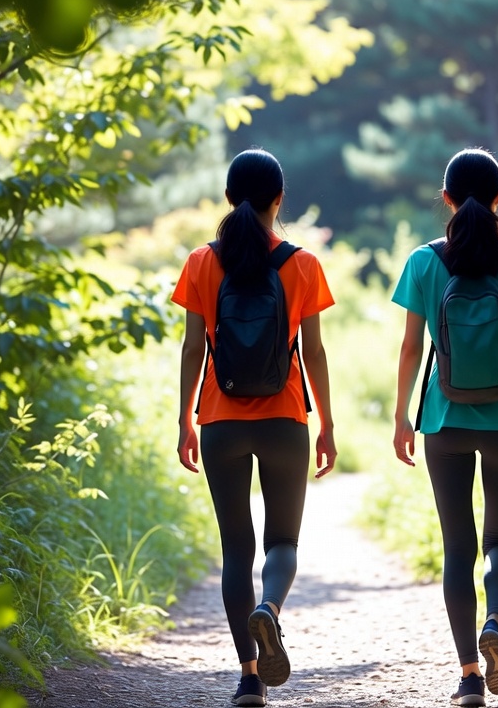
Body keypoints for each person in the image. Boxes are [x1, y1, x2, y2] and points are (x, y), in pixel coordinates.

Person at [391, 148, 498, 708]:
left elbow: (411, 345)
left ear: (445, 199)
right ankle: (495, 621)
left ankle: (470, 675)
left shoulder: (423, 261)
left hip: (443, 418)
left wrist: (401, 416)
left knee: (456, 547)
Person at [173, 149, 337, 708]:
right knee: (282, 542)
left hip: (220, 419)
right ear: (279, 200)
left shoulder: (201, 262)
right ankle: (270, 608)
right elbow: (312, 352)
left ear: (227, 199)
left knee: (235, 550)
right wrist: (328, 425)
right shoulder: (303, 264)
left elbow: (195, 348)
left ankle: (249, 678)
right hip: (285, 416)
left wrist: (185, 420)